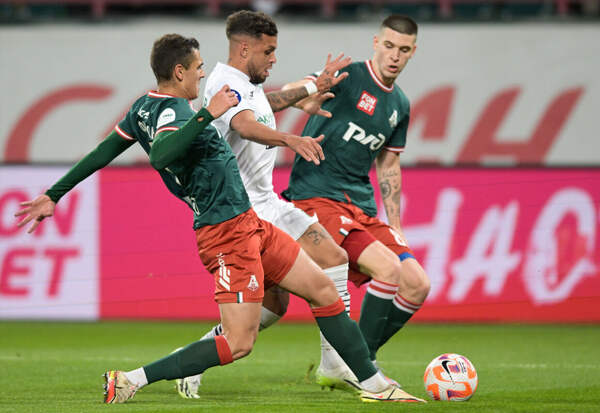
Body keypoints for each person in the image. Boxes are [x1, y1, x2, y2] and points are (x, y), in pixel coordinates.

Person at [14, 33, 425, 404]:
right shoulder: (178, 112)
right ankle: (133, 379)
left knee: (323, 287)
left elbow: (102, 152)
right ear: (179, 72)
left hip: (251, 222)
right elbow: (160, 154)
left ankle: (373, 383)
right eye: (197, 67)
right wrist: (207, 114)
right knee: (238, 342)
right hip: (226, 234)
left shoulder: (142, 107)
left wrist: (53, 194)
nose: (202, 73)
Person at [173, 10, 365, 399]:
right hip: (243, 211)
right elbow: (245, 125)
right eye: (268, 51)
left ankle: (333, 365)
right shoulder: (224, 83)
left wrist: (310, 88)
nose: (274, 58)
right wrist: (290, 139)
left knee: (326, 264)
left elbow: (266, 102)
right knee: (278, 302)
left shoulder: (246, 84)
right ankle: (192, 358)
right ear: (245, 48)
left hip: (269, 202)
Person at [281, 14, 432, 387]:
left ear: (413, 52)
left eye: (403, 50)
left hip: (359, 206)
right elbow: (291, 90)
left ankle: (354, 362)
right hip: (318, 195)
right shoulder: (350, 76)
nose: (394, 55)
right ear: (376, 43)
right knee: (389, 270)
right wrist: (307, 97)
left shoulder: (400, 104)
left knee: (417, 284)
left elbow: (389, 163)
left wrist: (395, 223)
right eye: (389, 46)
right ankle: (362, 369)